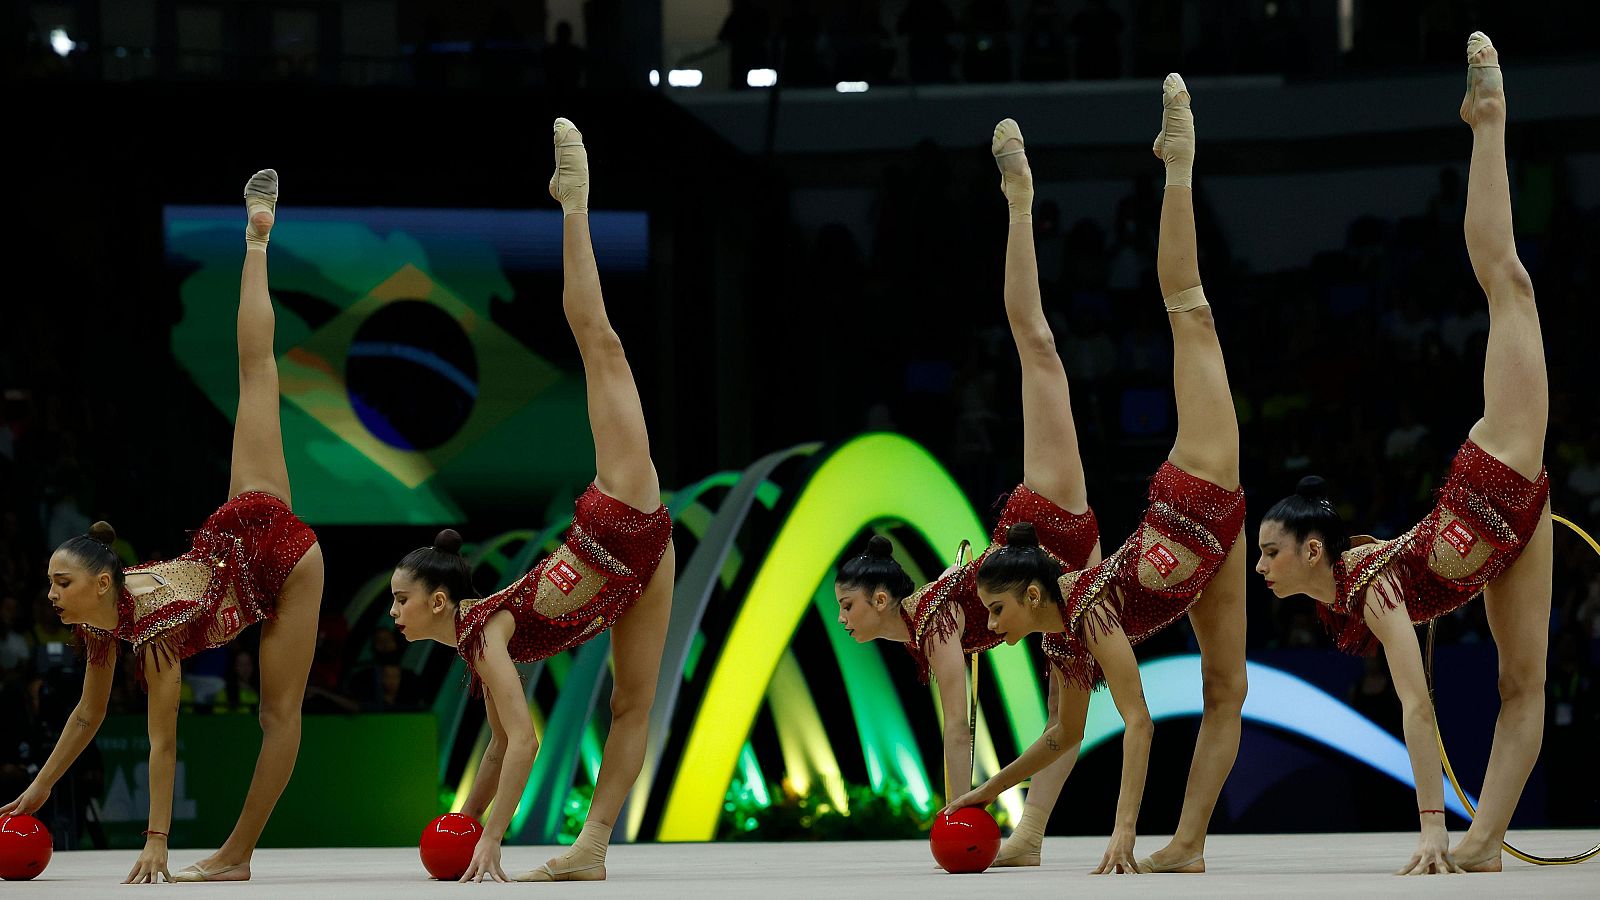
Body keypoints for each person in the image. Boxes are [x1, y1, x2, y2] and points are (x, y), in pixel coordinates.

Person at [1255, 34, 1550, 874]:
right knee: (1518, 686)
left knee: (1510, 286)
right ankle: (1486, 843)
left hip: (1495, 474)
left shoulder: (1370, 586)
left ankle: (1486, 119)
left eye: (1270, 552)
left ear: (1313, 548)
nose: (1261, 567)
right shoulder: (1351, 593)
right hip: (1509, 534)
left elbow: (1417, 710)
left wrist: (1427, 827)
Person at [949, 75, 1248, 876]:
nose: (994, 628)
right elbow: (1062, 735)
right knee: (1228, 689)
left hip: (1197, 490)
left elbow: (1140, 720)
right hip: (1215, 543)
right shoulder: (1064, 642)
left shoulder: (1084, 605)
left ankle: (1177, 163)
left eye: (996, 609)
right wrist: (983, 798)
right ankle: (1186, 845)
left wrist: (1120, 834)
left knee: (1188, 309)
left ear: (1035, 591)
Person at [0, 170, 325, 883]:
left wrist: (155, 840)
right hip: (240, 517)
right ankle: (256, 243)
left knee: (277, 715)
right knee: (256, 374)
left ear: (101, 581)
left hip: (286, 557)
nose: (50, 594)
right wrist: (38, 789)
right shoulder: (98, 621)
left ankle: (236, 855)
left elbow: (163, 741)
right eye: (52, 582)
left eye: (61, 582)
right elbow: (87, 718)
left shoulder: (150, 631)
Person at [389, 118, 674, 883]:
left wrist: (489, 838)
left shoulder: (482, 633)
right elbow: (498, 746)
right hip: (641, 566)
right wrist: (466, 820)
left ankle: (573, 201)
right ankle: (593, 850)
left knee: (599, 342)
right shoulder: (481, 648)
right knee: (631, 707)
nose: (392, 612)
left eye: (400, 599)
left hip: (618, 514)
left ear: (443, 603)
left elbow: (527, 743)